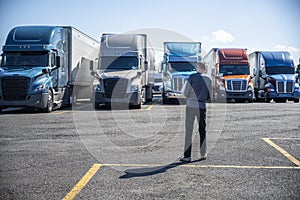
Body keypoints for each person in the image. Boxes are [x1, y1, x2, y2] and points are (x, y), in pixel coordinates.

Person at [180, 62, 212, 162]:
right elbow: (209, 95)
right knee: (202, 130)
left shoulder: (192, 77)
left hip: (190, 106)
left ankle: (187, 156)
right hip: (201, 107)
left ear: (198, 68)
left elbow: (186, 93)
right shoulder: (208, 79)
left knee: (189, 131)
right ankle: (203, 153)